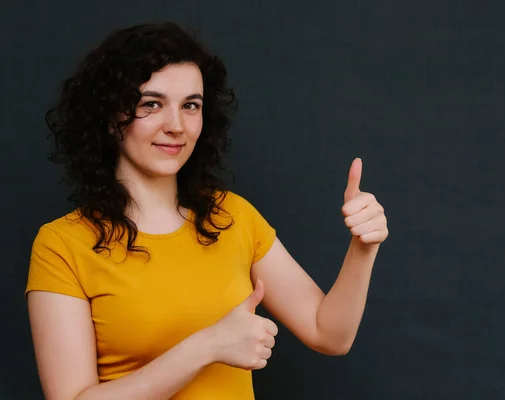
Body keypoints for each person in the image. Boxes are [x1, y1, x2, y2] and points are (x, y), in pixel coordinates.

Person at [25, 21, 388, 400]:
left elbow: (329, 334)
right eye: (151, 103)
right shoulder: (62, 244)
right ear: (110, 115)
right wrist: (207, 347)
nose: (176, 125)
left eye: (190, 106)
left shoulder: (232, 217)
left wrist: (363, 248)